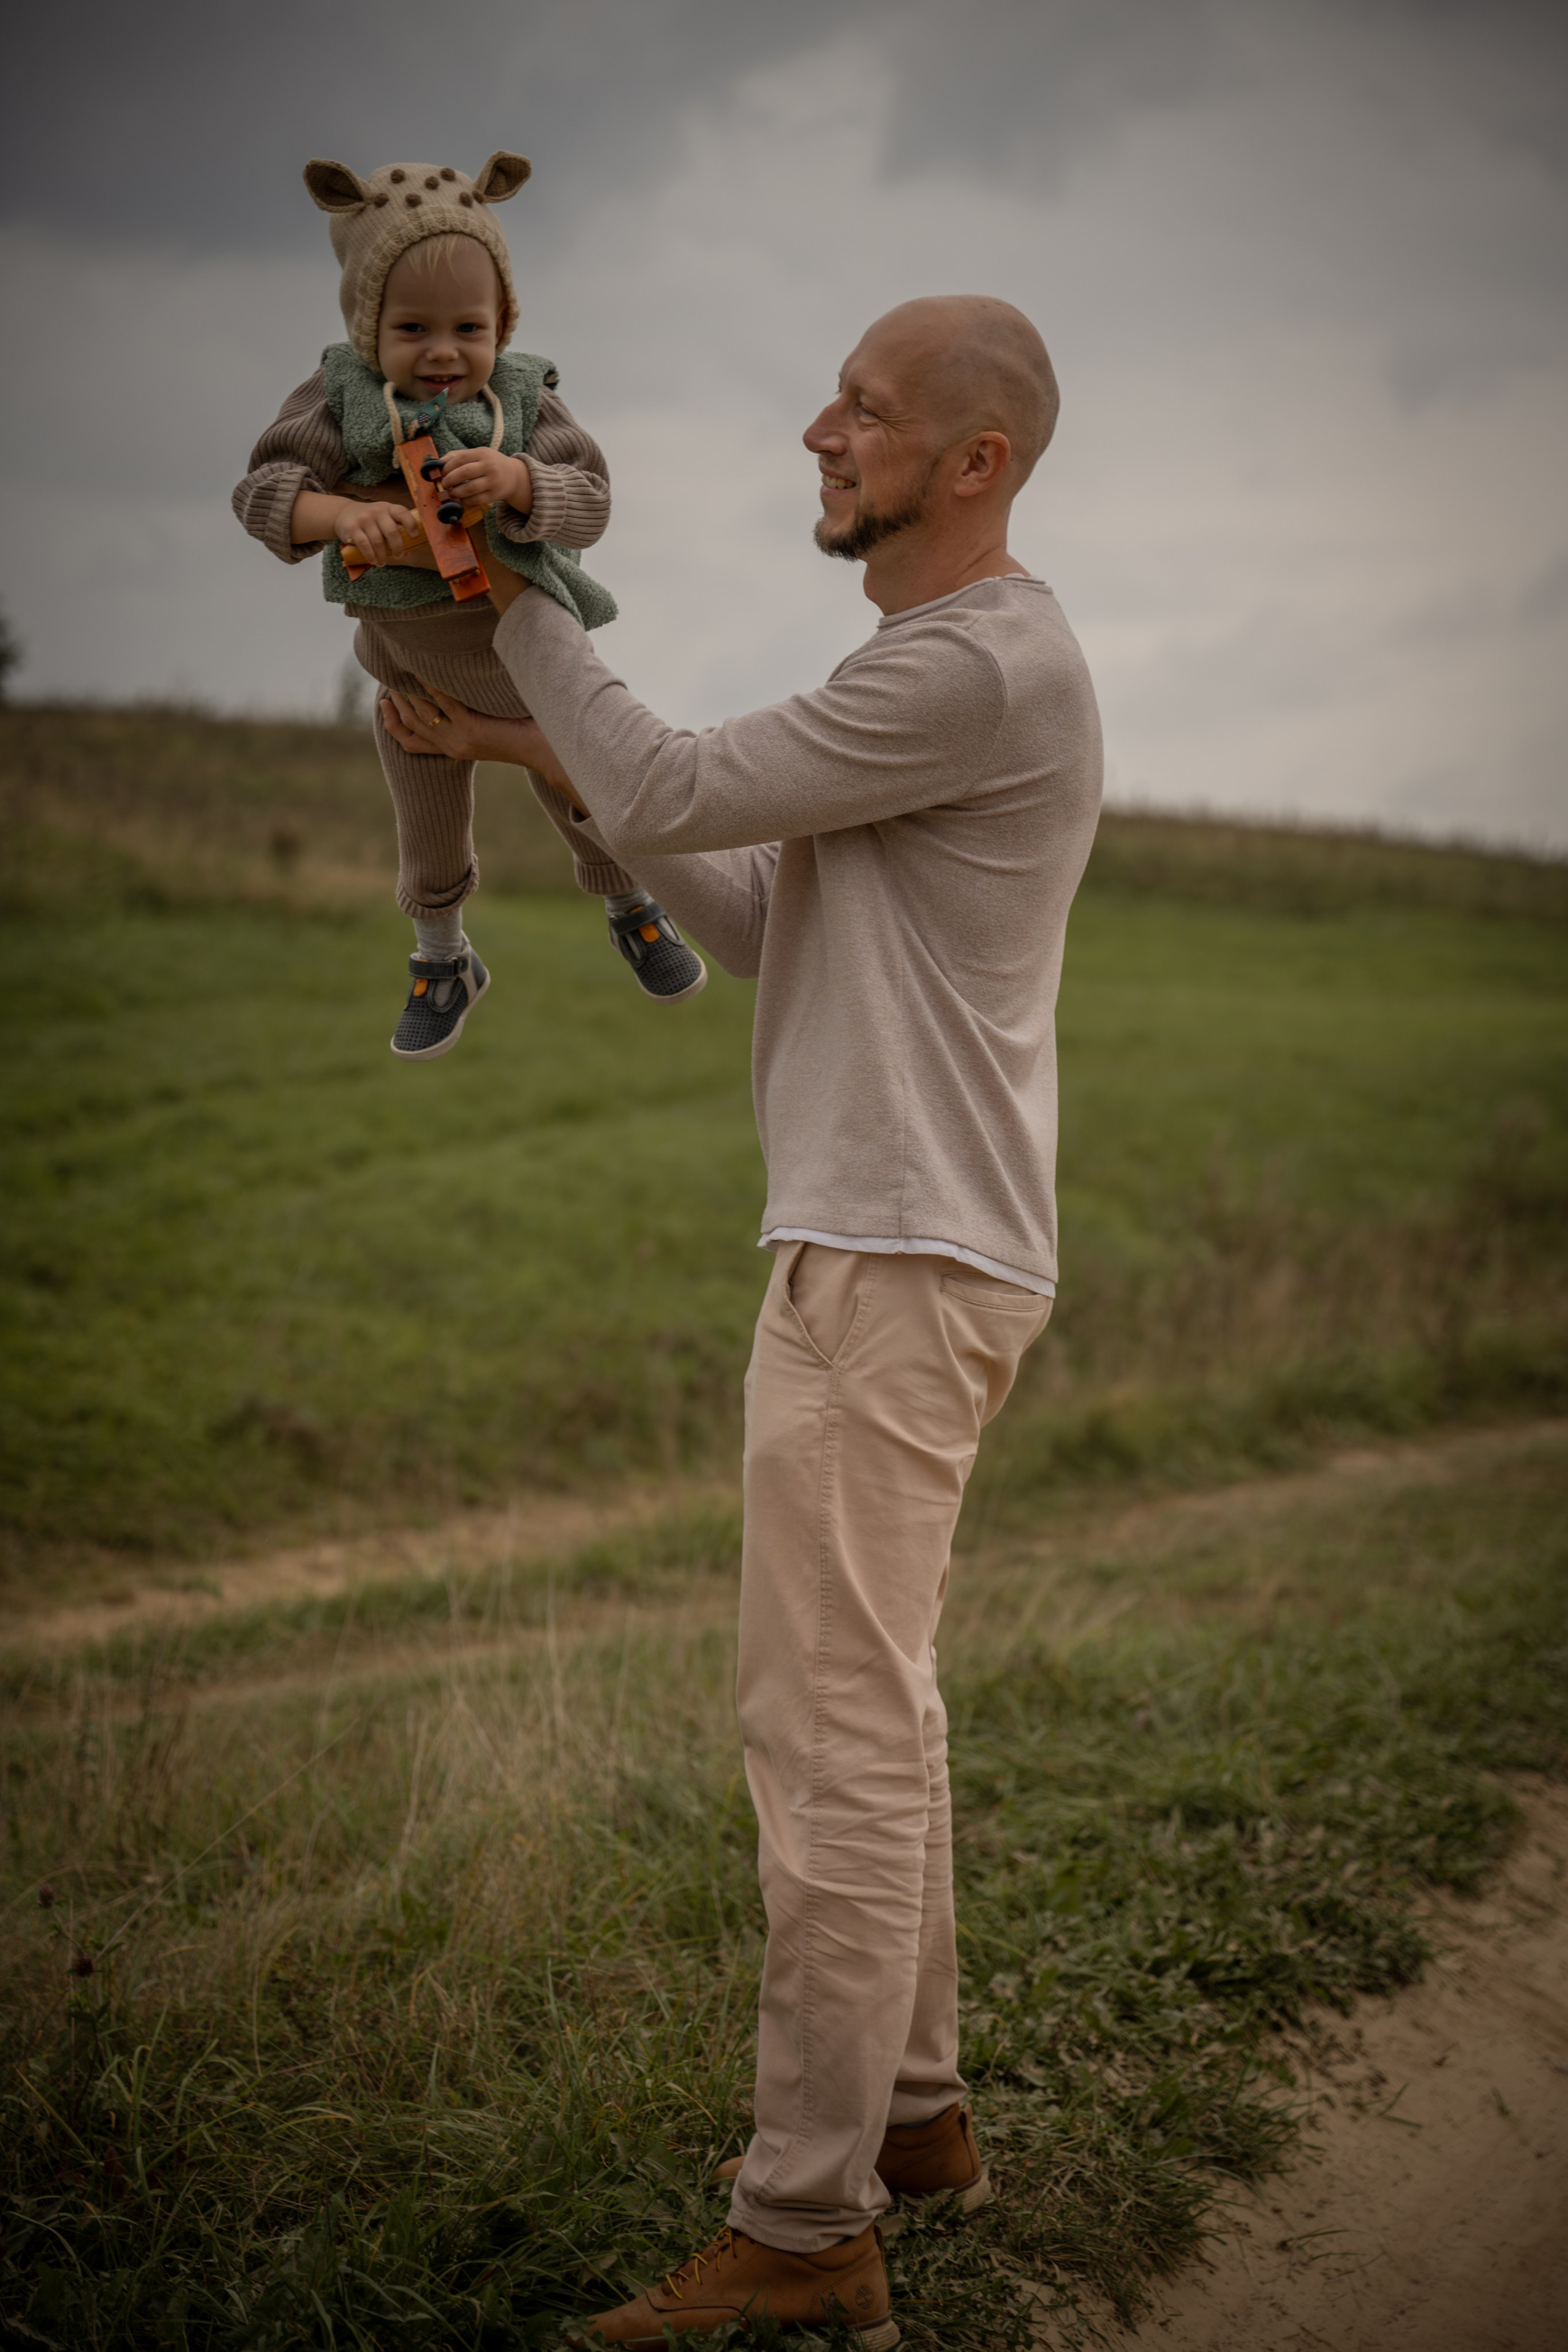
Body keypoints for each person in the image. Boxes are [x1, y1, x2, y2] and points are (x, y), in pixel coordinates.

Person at [383, 293, 1103, 2346]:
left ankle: (804, 2232)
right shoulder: (935, 667)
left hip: (896, 1264)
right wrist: (549, 763)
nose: (819, 431)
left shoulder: (979, 663)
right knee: (878, 1701)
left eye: (864, 411)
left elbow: (681, 777)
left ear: (975, 461)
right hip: (894, 1250)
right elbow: (769, 914)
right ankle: (917, 2119)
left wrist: (502, 577)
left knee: (830, 1730)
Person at [232, 149, 706, 1063]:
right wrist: (341, 516)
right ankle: (442, 959)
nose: (443, 351)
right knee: (425, 807)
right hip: (411, 658)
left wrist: (521, 481)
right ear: (368, 326)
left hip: (527, 646)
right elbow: (261, 493)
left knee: (580, 778)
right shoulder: (339, 397)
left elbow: (594, 501)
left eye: (468, 327)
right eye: (412, 327)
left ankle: (633, 905)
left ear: (503, 324)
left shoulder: (523, 400)